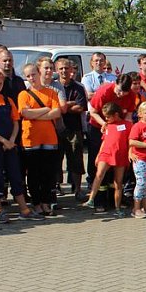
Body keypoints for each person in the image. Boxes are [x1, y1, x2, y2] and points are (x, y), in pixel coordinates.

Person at [0, 70, 40, 223]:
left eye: (0, 83)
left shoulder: (8, 100)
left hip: (10, 145)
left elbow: (15, 122)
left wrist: (11, 140)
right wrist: (3, 141)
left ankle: (24, 209)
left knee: (16, 175)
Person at [18, 62, 62, 216]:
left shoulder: (51, 93)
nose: (32, 78)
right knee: (34, 174)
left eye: (34, 74)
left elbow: (56, 113)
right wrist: (45, 110)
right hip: (31, 139)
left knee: (48, 173)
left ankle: (46, 202)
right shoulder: (23, 94)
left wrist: (35, 114)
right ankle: (36, 203)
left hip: (49, 138)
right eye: (28, 76)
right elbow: (26, 114)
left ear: (39, 74)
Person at [84, 102, 132, 217]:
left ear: (116, 115)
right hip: (106, 154)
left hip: (120, 155)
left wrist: (130, 154)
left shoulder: (128, 125)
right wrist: (98, 155)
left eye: (107, 116)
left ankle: (117, 208)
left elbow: (130, 142)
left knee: (118, 182)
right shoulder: (107, 126)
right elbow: (104, 141)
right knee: (99, 174)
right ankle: (91, 199)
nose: (105, 119)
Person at [55, 58, 87, 200]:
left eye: (66, 68)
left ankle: (78, 189)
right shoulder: (53, 87)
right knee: (56, 159)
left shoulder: (78, 87)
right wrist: (69, 104)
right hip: (56, 128)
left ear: (71, 70)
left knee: (76, 159)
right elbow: (54, 108)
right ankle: (57, 187)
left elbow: (80, 108)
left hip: (74, 129)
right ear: (57, 70)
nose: (64, 71)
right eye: (61, 68)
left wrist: (62, 106)